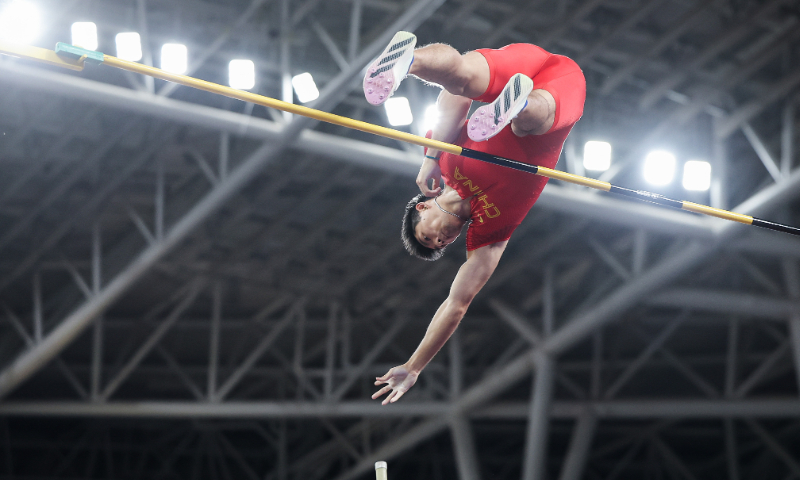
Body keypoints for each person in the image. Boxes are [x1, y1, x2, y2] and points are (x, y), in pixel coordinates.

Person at [366, 32, 586, 405]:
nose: (439, 242)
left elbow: (456, 95)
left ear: (422, 206)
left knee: (463, 75)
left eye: (427, 237)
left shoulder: (444, 162)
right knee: (532, 120)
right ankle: (514, 107)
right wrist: (415, 366)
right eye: (437, 246)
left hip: (523, 62)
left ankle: (408, 61)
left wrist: (430, 157)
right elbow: (456, 304)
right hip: (557, 93)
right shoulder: (489, 232)